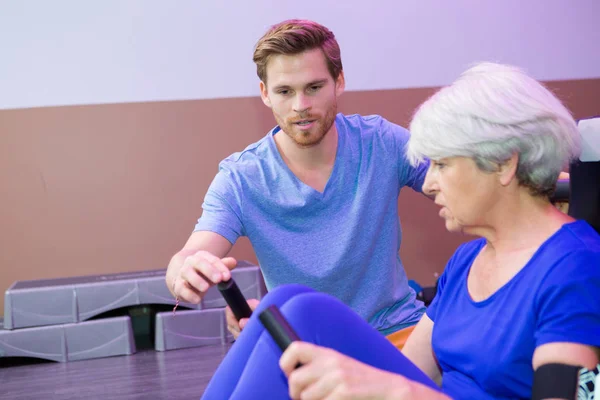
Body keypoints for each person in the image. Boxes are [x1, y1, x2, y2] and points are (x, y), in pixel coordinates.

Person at [199, 62, 600, 399]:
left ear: (504, 164)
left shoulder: (577, 267)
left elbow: (409, 388)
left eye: (441, 165)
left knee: (300, 310)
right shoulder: (467, 262)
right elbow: (414, 372)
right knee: (284, 306)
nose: (428, 183)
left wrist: (396, 392)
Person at [165, 19, 431, 348]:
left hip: (397, 332)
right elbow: (190, 254)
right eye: (285, 91)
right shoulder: (240, 178)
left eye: (314, 88)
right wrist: (185, 270)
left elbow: (458, 180)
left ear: (339, 82)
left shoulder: (382, 143)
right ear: (265, 93)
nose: (300, 106)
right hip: (302, 347)